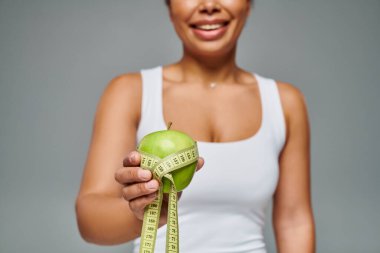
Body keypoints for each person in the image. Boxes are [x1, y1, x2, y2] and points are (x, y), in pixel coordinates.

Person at [75, 0, 316, 252]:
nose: (209, 5)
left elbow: (294, 222)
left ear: (248, 4)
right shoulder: (129, 92)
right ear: (170, 8)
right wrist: (144, 213)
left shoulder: (285, 102)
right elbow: (89, 219)